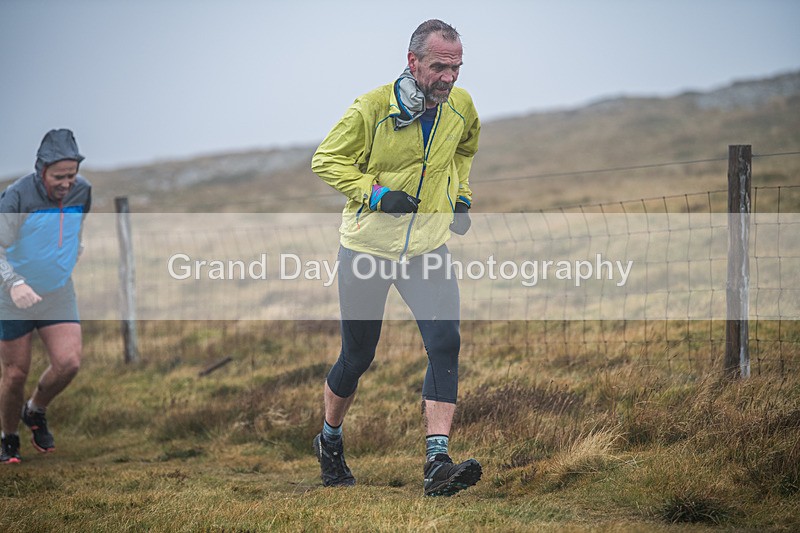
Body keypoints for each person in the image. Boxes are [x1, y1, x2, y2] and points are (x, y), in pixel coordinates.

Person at [311, 19, 481, 496]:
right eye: (438, 67)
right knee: (358, 355)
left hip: (427, 247)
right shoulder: (371, 108)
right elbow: (325, 159)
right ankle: (330, 440)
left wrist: (460, 195)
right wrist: (376, 193)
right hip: (367, 249)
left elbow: (464, 149)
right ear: (413, 63)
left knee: (445, 342)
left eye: (456, 68)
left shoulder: (461, 107)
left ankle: (437, 463)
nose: (448, 78)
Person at [0, 129, 91, 464]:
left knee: (69, 363)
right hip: (13, 296)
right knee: (15, 373)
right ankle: (8, 438)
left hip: (57, 291)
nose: (67, 183)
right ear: (41, 170)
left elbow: (76, 227)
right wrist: (14, 283)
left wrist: (73, 250)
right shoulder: (17, 196)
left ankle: (35, 410)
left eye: (72, 174)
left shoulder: (84, 190)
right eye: (58, 177)